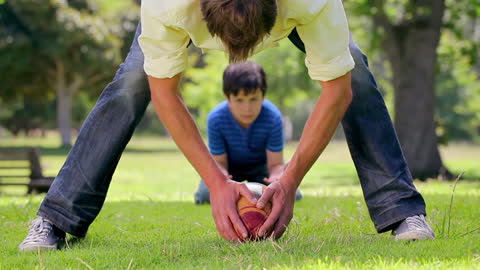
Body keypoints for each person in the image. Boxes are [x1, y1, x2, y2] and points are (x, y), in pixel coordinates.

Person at [19, 0, 434, 251]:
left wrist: (289, 180)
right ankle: (55, 219)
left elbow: (337, 89)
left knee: (355, 70)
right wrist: (216, 183)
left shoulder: (310, 3)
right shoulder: (168, 6)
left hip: (292, 14)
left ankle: (403, 212)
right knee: (132, 83)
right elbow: (164, 93)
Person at [194, 61, 302, 205]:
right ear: (228, 98)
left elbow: (275, 163)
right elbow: (219, 162)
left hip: (262, 167)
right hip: (230, 167)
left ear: (263, 96)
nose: (247, 108)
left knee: (292, 193)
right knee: (205, 195)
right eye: (239, 100)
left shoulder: (273, 117)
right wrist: (222, 176)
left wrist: (276, 176)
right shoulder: (216, 119)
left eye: (253, 99)